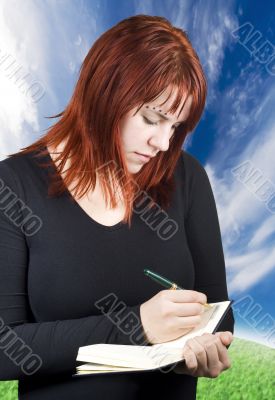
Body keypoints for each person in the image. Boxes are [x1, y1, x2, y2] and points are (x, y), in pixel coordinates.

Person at [0, 14, 234, 399]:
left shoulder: (187, 178)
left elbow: (217, 308)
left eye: (176, 127)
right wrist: (137, 325)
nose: (163, 142)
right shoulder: (15, 185)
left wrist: (209, 345)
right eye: (152, 118)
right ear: (104, 94)